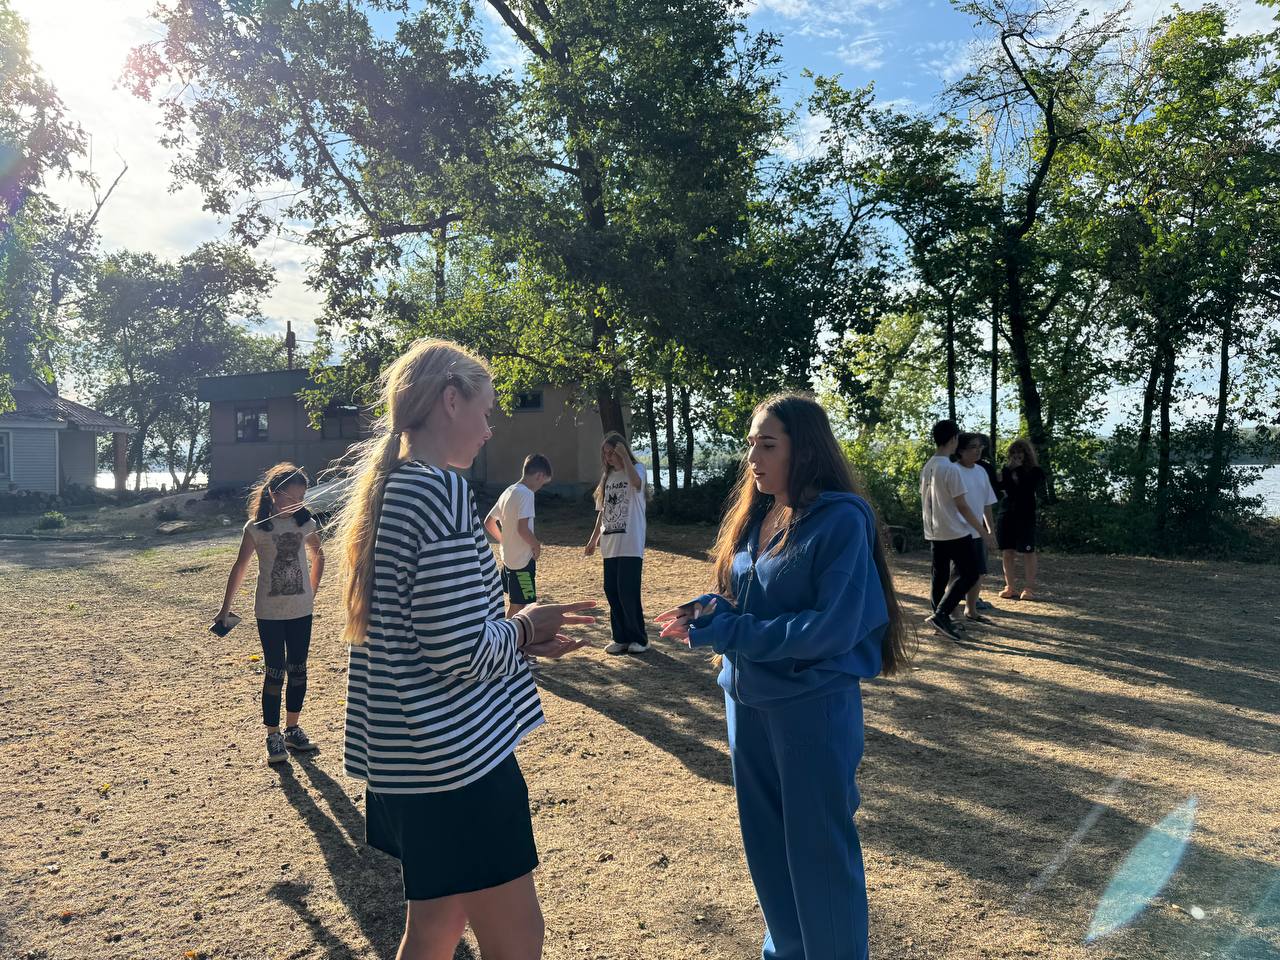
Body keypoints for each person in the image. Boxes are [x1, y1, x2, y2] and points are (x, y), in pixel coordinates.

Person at [334, 338, 595, 960]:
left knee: (437, 928)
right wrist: (525, 627)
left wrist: (519, 637)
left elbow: (435, 631)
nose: (489, 428)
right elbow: (459, 652)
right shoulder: (440, 494)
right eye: (485, 410)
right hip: (457, 765)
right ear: (450, 401)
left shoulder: (394, 490)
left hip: (410, 762)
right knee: (518, 939)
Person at [655, 393, 911, 960]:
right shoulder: (756, 514)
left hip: (811, 708)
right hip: (745, 704)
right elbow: (753, 597)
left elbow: (830, 628)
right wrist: (712, 610)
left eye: (767, 445)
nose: (753, 458)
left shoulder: (841, 519)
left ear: (805, 450)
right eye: (751, 444)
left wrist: (733, 631)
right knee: (767, 848)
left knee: (819, 854)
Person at [216, 462, 325, 765]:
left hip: (301, 611)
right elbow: (240, 567)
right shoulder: (256, 528)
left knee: (299, 669)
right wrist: (225, 608)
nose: (298, 503)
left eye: (302, 498)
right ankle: (273, 734)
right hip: (269, 613)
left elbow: (319, 556)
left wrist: (311, 592)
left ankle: (293, 729)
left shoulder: (305, 524)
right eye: (292, 498)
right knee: (275, 671)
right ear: (274, 495)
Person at [920, 420, 991, 642]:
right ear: (953, 439)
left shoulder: (928, 467)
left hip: (934, 530)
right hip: (954, 530)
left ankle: (939, 618)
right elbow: (962, 505)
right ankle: (941, 615)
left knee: (940, 576)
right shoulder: (950, 468)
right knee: (971, 573)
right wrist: (983, 531)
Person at [584, 432, 649, 655]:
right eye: (605, 453)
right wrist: (593, 539)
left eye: (612, 452)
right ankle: (620, 638)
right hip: (610, 544)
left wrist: (625, 458)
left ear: (622, 450)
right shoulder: (607, 477)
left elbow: (637, 483)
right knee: (611, 590)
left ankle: (639, 639)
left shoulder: (637, 469)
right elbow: (602, 512)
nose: (608, 457)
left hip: (630, 543)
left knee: (627, 591)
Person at [485, 454, 553, 617]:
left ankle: (510, 630)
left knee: (517, 603)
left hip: (508, 560)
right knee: (521, 606)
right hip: (523, 563)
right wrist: (536, 545)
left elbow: (489, 522)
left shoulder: (509, 491)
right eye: (542, 483)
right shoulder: (527, 494)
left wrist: (504, 541)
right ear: (539, 476)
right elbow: (522, 529)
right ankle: (509, 632)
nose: (540, 487)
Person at [954, 433, 998, 625]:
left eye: (980, 447)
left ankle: (971, 610)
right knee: (958, 573)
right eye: (973, 447)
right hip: (957, 531)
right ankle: (951, 611)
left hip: (978, 532)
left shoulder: (981, 471)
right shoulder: (953, 471)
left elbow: (987, 504)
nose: (978, 450)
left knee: (979, 571)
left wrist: (990, 531)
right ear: (961, 450)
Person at [998, 437, 1045, 600]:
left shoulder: (1036, 471)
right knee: (1007, 551)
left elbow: (1027, 489)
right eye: (1013, 453)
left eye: (1020, 453)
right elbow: (1003, 489)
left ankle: (1029, 588)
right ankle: (1009, 586)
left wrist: (1018, 470)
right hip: (1007, 514)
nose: (1017, 456)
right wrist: (1007, 471)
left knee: (1028, 551)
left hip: (1025, 516)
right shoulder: (1006, 470)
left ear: (1027, 454)